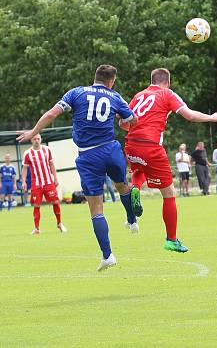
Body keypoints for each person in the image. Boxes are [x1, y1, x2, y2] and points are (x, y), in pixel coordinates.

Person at [17, 65, 138, 271]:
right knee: (122, 185)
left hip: (89, 155)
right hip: (111, 149)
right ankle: (132, 219)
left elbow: (51, 114)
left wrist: (33, 131)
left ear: (95, 78)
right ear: (111, 81)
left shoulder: (76, 92)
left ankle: (108, 255)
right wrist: (120, 120)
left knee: (96, 209)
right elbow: (133, 120)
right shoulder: (115, 97)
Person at [123, 68, 217, 253]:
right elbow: (189, 115)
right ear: (168, 82)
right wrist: (211, 117)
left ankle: (135, 188)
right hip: (151, 145)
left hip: (131, 144)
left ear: (152, 80)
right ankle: (171, 240)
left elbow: (124, 123)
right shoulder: (167, 93)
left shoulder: (138, 96)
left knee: (139, 170)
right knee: (169, 194)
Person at [21, 135, 66, 234]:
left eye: (38, 139)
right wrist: (23, 182)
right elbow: (24, 168)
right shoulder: (27, 153)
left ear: (40, 139)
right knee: (36, 205)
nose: (36, 141)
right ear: (31, 140)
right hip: (36, 184)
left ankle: (59, 223)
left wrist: (55, 178)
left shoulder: (47, 150)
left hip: (48, 182)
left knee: (55, 202)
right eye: (34, 139)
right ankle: (36, 228)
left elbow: (51, 164)